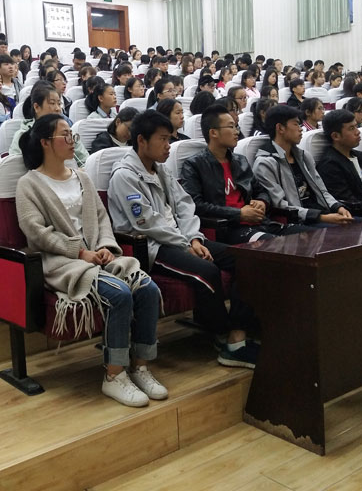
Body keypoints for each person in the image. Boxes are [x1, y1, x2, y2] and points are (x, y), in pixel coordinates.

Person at [17, 113, 166, 406]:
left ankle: (140, 367)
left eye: (72, 134)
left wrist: (106, 246)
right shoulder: (28, 184)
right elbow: (36, 233)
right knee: (119, 293)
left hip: (96, 255)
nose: (72, 140)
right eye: (64, 135)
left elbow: (101, 218)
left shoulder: (82, 177)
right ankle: (114, 375)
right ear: (45, 142)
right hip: (62, 261)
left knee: (147, 289)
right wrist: (80, 252)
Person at [108, 111, 259, 369]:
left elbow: (185, 206)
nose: (169, 145)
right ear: (142, 140)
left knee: (246, 260)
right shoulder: (124, 175)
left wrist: (194, 239)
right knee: (207, 271)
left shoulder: (161, 170)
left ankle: (238, 333)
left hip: (183, 239)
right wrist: (185, 244)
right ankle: (223, 336)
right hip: (153, 246)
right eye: (163, 139)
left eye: (170, 139)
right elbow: (147, 222)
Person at [181, 104, 312, 243]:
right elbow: (197, 205)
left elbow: (260, 191)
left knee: (311, 235)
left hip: (260, 222)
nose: (237, 132)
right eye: (231, 127)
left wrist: (262, 201)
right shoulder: (194, 165)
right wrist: (239, 214)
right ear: (213, 133)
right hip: (230, 228)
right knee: (276, 245)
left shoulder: (240, 161)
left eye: (236, 127)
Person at [253, 106, 354, 226]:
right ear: (280, 128)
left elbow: (321, 190)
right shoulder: (265, 163)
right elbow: (280, 205)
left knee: (356, 225)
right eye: (296, 124)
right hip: (296, 222)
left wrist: (338, 207)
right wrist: (321, 217)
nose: (301, 129)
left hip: (321, 214)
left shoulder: (304, 156)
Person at [9, 82, 89, 167]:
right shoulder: (23, 136)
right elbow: (15, 168)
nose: (58, 109)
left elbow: (85, 162)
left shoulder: (68, 133)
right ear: (36, 107)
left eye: (59, 104)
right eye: (52, 103)